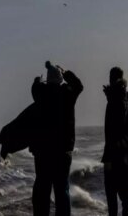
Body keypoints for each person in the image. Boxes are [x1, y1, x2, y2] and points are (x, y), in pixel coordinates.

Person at [28, 61, 83, 216]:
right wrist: (65, 72)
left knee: (42, 189)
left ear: (48, 80)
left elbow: (35, 87)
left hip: (43, 151)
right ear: (61, 80)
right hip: (63, 150)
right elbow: (79, 85)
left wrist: (37, 80)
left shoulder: (40, 94)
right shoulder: (68, 94)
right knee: (61, 190)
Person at [102, 67, 128, 216]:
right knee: (125, 195)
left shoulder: (116, 100)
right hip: (126, 152)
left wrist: (108, 158)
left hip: (115, 155)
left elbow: (113, 130)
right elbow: (126, 125)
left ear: (112, 79)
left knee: (112, 195)